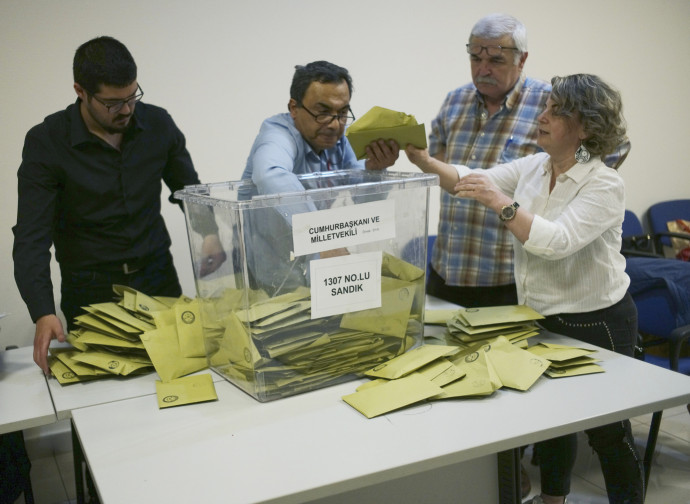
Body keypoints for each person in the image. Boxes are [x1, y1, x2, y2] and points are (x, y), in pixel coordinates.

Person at [407, 73, 644, 504]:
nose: (543, 116)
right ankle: (553, 500)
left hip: (597, 322)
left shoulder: (604, 183)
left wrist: (501, 204)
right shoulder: (536, 165)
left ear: (586, 126)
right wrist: (425, 161)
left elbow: (556, 243)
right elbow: (470, 178)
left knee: (608, 432)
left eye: (557, 111)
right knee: (551, 420)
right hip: (542, 316)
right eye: (546, 107)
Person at [12, 36, 224, 375]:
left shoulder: (158, 124)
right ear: (80, 91)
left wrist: (209, 232)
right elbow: (31, 236)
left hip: (158, 280)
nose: (126, 109)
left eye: (132, 97)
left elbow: (189, 190)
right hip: (93, 291)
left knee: (181, 377)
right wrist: (42, 311)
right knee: (104, 399)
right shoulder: (47, 142)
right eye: (113, 103)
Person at [428, 13, 629, 309]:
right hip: (449, 266)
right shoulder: (455, 102)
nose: (483, 68)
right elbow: (464, 173)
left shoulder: (551, 98)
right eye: (474, 58)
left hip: (511, 277)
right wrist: (420, 159)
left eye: (495, 60)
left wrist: (569, 181)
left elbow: (609, 148)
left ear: (521, 60)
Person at [241, 61, 399, 294]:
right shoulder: (277, 133)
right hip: (272, 272)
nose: (334, 124)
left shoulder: (339, 141)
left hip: (318, 266)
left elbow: (364, 202)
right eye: (322, 112)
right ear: (294, 108)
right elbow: (269, 174)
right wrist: (321, 239)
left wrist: (375, 171)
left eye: (342, 113)